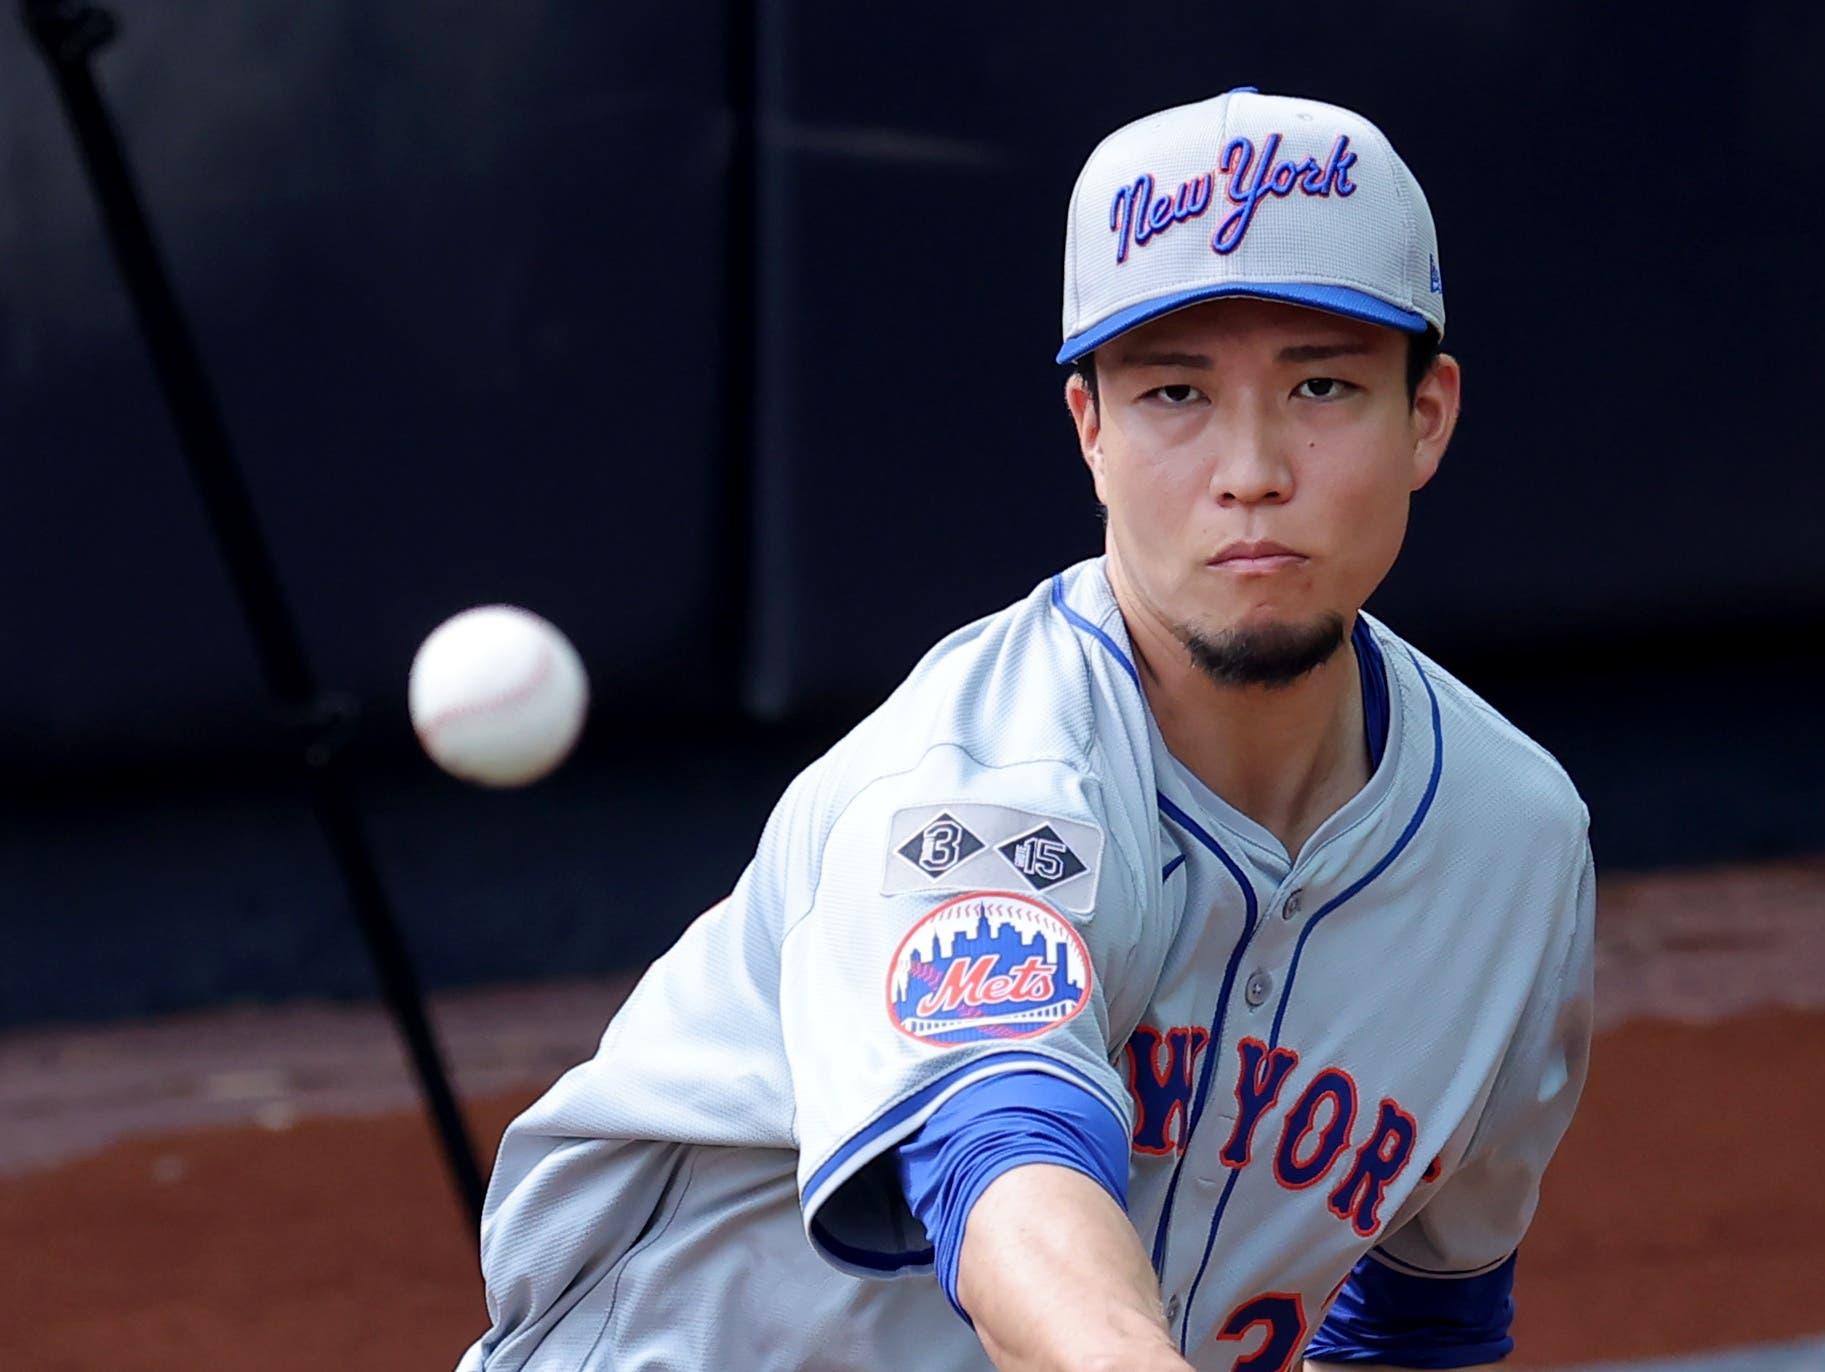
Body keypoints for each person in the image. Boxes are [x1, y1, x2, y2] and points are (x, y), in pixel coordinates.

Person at [459, 87, 1594, 1371]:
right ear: (1091, 429)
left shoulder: (1515, 842)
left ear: (1426, 417)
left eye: (1322, 384)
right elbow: (1002, 1172)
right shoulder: (978, 784)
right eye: (1175, 394)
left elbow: (1422, 1316)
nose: (1252, 468)